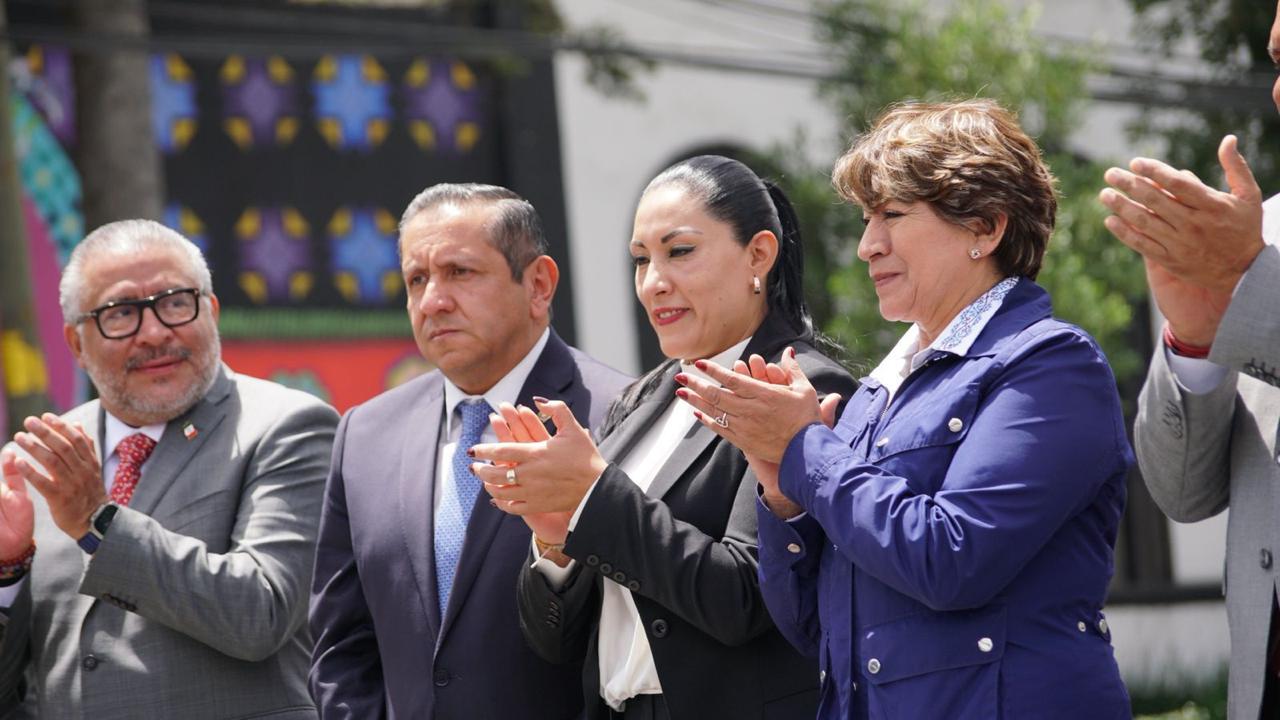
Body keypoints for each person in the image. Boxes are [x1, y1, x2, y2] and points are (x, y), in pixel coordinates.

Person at [677, 102, 1134, 719]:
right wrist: (782, 492)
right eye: (867, 219)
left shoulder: (1051, 365)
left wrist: (805, 448)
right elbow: (817, 630)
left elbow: (952, 561)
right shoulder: (879, 392)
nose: (867, 246)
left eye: (892, 214)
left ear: (985, 228)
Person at [471, 155, 857, 720]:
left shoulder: (803, 389)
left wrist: (592, 495)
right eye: (640, 259)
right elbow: (557, 643)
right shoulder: (643, 397)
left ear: (758, 254)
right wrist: (555, 544)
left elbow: (750, 599)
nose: (654, 283)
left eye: (679, 252)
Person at [308, 183, 630, 719]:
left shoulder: (617, 413)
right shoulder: (364, 435)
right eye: (417, 279)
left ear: (539, 284)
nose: (433, 301)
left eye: (460, 272)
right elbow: (341, 646)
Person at [0, 219, 339, 718]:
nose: (155, 333)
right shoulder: (42, 459)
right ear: (76, 344)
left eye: (176, 303)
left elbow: (261, 613)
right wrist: (7, 572)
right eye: (121, 313)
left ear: (212, 311)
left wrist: (99, 522)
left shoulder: (286, 426)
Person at [1099, 7, 1280, 717]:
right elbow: (1181, 493)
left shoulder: (1251, 256)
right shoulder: (1259, 233)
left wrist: (1252, 283)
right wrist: (1196, 343)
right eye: (1277, 61)